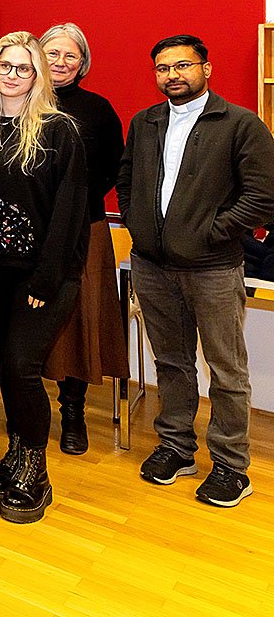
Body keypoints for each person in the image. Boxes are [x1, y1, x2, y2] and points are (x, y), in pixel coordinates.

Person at [119, 34, 274, 508]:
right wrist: (139, 225)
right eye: (163, 68)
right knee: (172, 361)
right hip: (152, 265)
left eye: (183, 65)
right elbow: (126, 180)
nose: (173, 75)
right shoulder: (145, 122)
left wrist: (211, 232)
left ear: (207, 69)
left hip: (213, 268)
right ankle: (176, 447)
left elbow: (264, 196)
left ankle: (231, 466)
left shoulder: (240, 124)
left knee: (227, 369)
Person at [0, 32, 88, 524]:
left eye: (24, 67)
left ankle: (36, 471)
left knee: (22, 366)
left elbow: (70, 212)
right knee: (9, 368)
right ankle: (17, 452)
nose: (13, 75)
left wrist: (46, 280)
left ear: (37, 75)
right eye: (5, 65)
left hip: (44, 277)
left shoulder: (59, 131)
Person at [38, 23, 128, 455]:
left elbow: (115, 166)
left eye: (70, 55)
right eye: (52, 53)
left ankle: (73, 411)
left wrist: (77, 199)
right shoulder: (17, 99)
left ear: (82, 63)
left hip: (83, 229)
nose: (60, 62)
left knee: (79, 320)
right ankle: (26, 412)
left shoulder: (97, 109)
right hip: (25, 231)